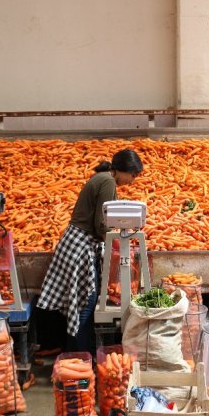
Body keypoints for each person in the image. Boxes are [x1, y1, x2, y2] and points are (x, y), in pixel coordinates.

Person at [37, 148, 143, 355]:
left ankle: (74, 351)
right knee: (87, 301)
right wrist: (119, 247)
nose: (133, 181)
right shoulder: (108, 182)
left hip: (78, 242)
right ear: (124, 170)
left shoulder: (103, 178)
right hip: (80, 245)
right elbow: (100, 225)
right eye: (133, 175)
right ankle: (82, 354)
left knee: (81, 302)